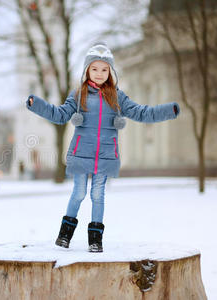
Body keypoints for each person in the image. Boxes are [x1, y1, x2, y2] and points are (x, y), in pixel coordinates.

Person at [26, 42, 180, 252]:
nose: (99, 74)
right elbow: (59, 115)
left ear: (110, 72)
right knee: (79, 193)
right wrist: (38, 104)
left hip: (106, 154)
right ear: (87, 70)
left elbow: (142, 112)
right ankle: (64, 235)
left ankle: (95, 240)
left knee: (98, 195)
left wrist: (168, 111)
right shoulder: (78, 95)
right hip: (81, 153)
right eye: (95, 69)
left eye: (104, 69)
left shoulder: (117, 97)